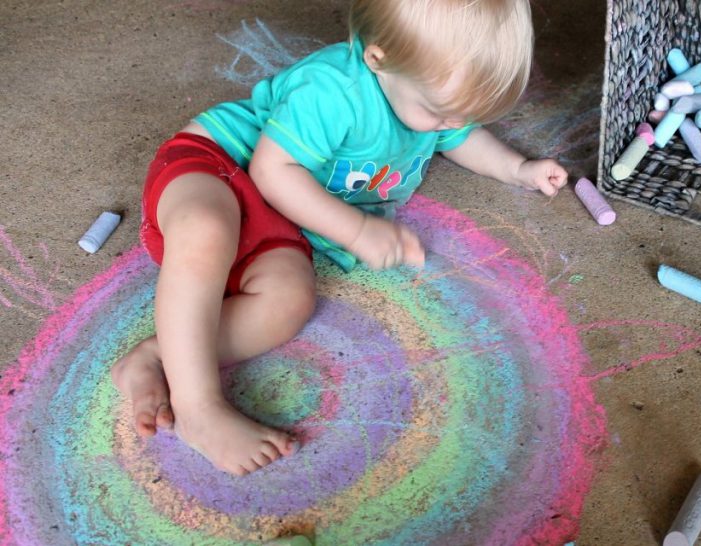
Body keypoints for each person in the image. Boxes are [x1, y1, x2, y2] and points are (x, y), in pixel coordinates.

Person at [111, 0, 568, 476]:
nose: (452, 124)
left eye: (463, 114)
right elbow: (272, 171)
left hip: (282, 221)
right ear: (378, 58)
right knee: (205, 232)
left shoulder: (429, 94)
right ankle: (198, 408)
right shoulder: (332, 90)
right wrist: (358, 229)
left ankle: (159, 356)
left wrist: (517, 168)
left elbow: (460, 135)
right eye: (440, 113)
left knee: (289, 302)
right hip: (220, 164)